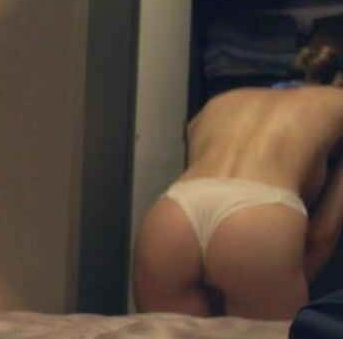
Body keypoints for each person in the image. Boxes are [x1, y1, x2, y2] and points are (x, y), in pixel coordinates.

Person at [134, 45, 343, 320]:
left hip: (173, 213)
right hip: (258, 218)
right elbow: (323, 234)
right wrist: (289, 281)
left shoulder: (222, 101)